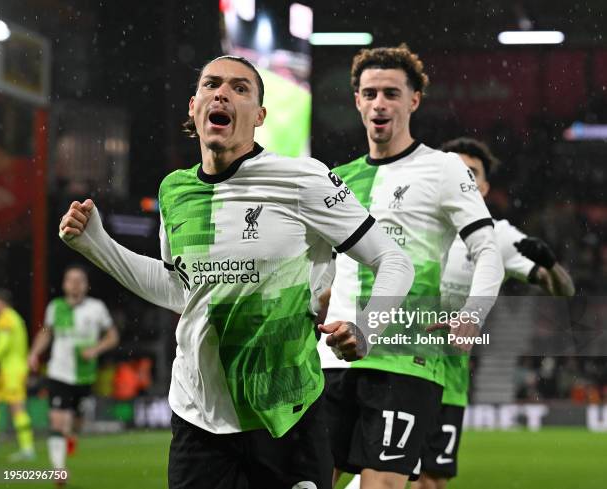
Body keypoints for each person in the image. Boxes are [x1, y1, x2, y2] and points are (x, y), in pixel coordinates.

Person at [57, 54, 416, 489]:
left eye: (240, 88)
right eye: (211, 84)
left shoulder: (303, 179)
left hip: (288, 417)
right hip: (198, 420)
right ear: (194, 106)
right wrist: (98, 245)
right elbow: (180, 291)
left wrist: (366, 330)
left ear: (260, 115)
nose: (222, 93)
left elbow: (394, 261)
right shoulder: (175, 191)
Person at [317, 44, 505, 489]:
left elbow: (488, 250)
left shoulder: (443, 169)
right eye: (370, 93)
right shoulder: (337, 178)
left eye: (391, 92)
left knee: (381, 486)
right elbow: (324, 266)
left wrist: (473, 314)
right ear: (357, 101)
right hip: (334, 361)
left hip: (407, 361)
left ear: (414, 100)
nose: (380, 102)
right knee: (308, 481)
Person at [414, 137, 575, 489]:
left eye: (471, 173)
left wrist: (551, 265)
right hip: (396, 366)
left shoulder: (498, 237)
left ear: (484, 187)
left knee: (431, 480)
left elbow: (563, 289)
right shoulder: (412, 225)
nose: (463, 179)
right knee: (367, 470)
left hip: (448, 382)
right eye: (455, 171)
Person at [28, 265, 119, 480]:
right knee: (58, 420)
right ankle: (59, 470)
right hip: (58, 372)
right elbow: (46, 333)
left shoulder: (96, 308)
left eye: (80, 280)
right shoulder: (56, 306)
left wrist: (95, 349)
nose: (75, 284)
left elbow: (112, 336)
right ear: (64, 284)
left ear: (86, 284)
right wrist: (34, 353)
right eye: (71, 280)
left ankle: (70, 436)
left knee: (75, 424)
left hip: (84, 375)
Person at [0, 289, 35, 461]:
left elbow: (3, 345)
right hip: (8, 369)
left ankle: (27, 448)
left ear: (1, 301)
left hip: (11, 371)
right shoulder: (15, 317)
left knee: (16, 407)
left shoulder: (6, 319)